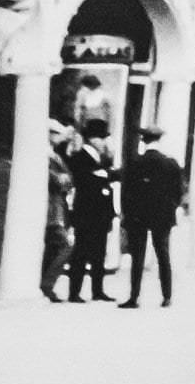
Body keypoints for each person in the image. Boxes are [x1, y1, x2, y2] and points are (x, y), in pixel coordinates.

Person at [119, 127, 183, 309]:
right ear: (159, 141)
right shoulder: (170, 164)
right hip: (162, 216)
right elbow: (178, 193)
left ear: (143, 141)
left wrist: (127, 213)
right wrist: (170, 208)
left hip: (138, 216)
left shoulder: (135, 163)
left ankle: (134, 297)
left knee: (137, 257)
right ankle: (167, 296)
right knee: (163, 254)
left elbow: (127, 192)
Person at [65, 124, 118, 302]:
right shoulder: (81, 157)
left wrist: (104, 174)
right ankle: (74, 292)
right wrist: (102, 176)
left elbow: (104, 178)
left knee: (99, 254)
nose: (104, 142)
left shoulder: (99, 159)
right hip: (87, 213)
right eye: (101, 138)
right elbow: (84, 181)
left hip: (100, 214)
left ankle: (98, 290)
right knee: (81, 252)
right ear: (93, 139)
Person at [39, 121, 76, 304]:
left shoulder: (54, 156)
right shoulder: (45, 155)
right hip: (51, 209)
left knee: (53, 247)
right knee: (64, 246)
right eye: (56, 133)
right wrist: (64, 180)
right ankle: (46, 285)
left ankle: (45, 285)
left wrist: (65, 180)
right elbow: (60, 181)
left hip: (56, 207)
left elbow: (68, 180)